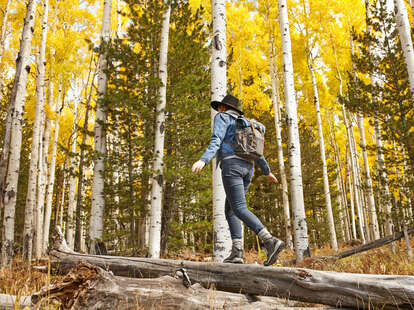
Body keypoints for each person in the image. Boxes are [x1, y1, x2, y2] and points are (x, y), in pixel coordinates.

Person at [192, 94, 285, 266]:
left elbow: (216, 140)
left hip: (231, 166)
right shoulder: (246, 123)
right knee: (231, 210)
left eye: (219, 107)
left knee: (239, 208)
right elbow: (258, 152)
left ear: (222, 107)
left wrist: (203, 160)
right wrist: (267, 171)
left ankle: (270, 240)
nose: (218, 110)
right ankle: (237, 253)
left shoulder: (223, 117)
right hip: (248, 168)